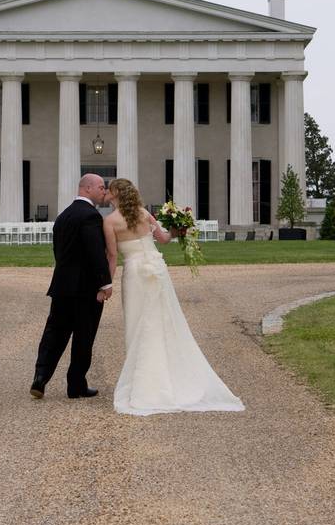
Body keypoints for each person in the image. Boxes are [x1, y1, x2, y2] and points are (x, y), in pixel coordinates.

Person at [103, 178, 244, 416]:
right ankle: (167, 376)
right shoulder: (145, 214)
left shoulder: (110, 221)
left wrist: (106, 284)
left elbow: (113, 257)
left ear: (116, 195)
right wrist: (178, 231)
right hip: (157, 269)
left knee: (137, 323)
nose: (107, 194)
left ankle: (143, 382)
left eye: (110, 191)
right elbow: (165, 240)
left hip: (136, 273)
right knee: (162, 321)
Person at [30, 174, 112, 400]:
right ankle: (76, 385)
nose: (103, 192)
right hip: (85, 289)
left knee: (54, 332)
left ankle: (40, 377)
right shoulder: (91, 216)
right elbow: (96, 253)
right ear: (87, 188)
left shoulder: (63, 216)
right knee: (83, 336)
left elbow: (58, 252)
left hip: (62, 286)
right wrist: (105, 282)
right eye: (101, 187)